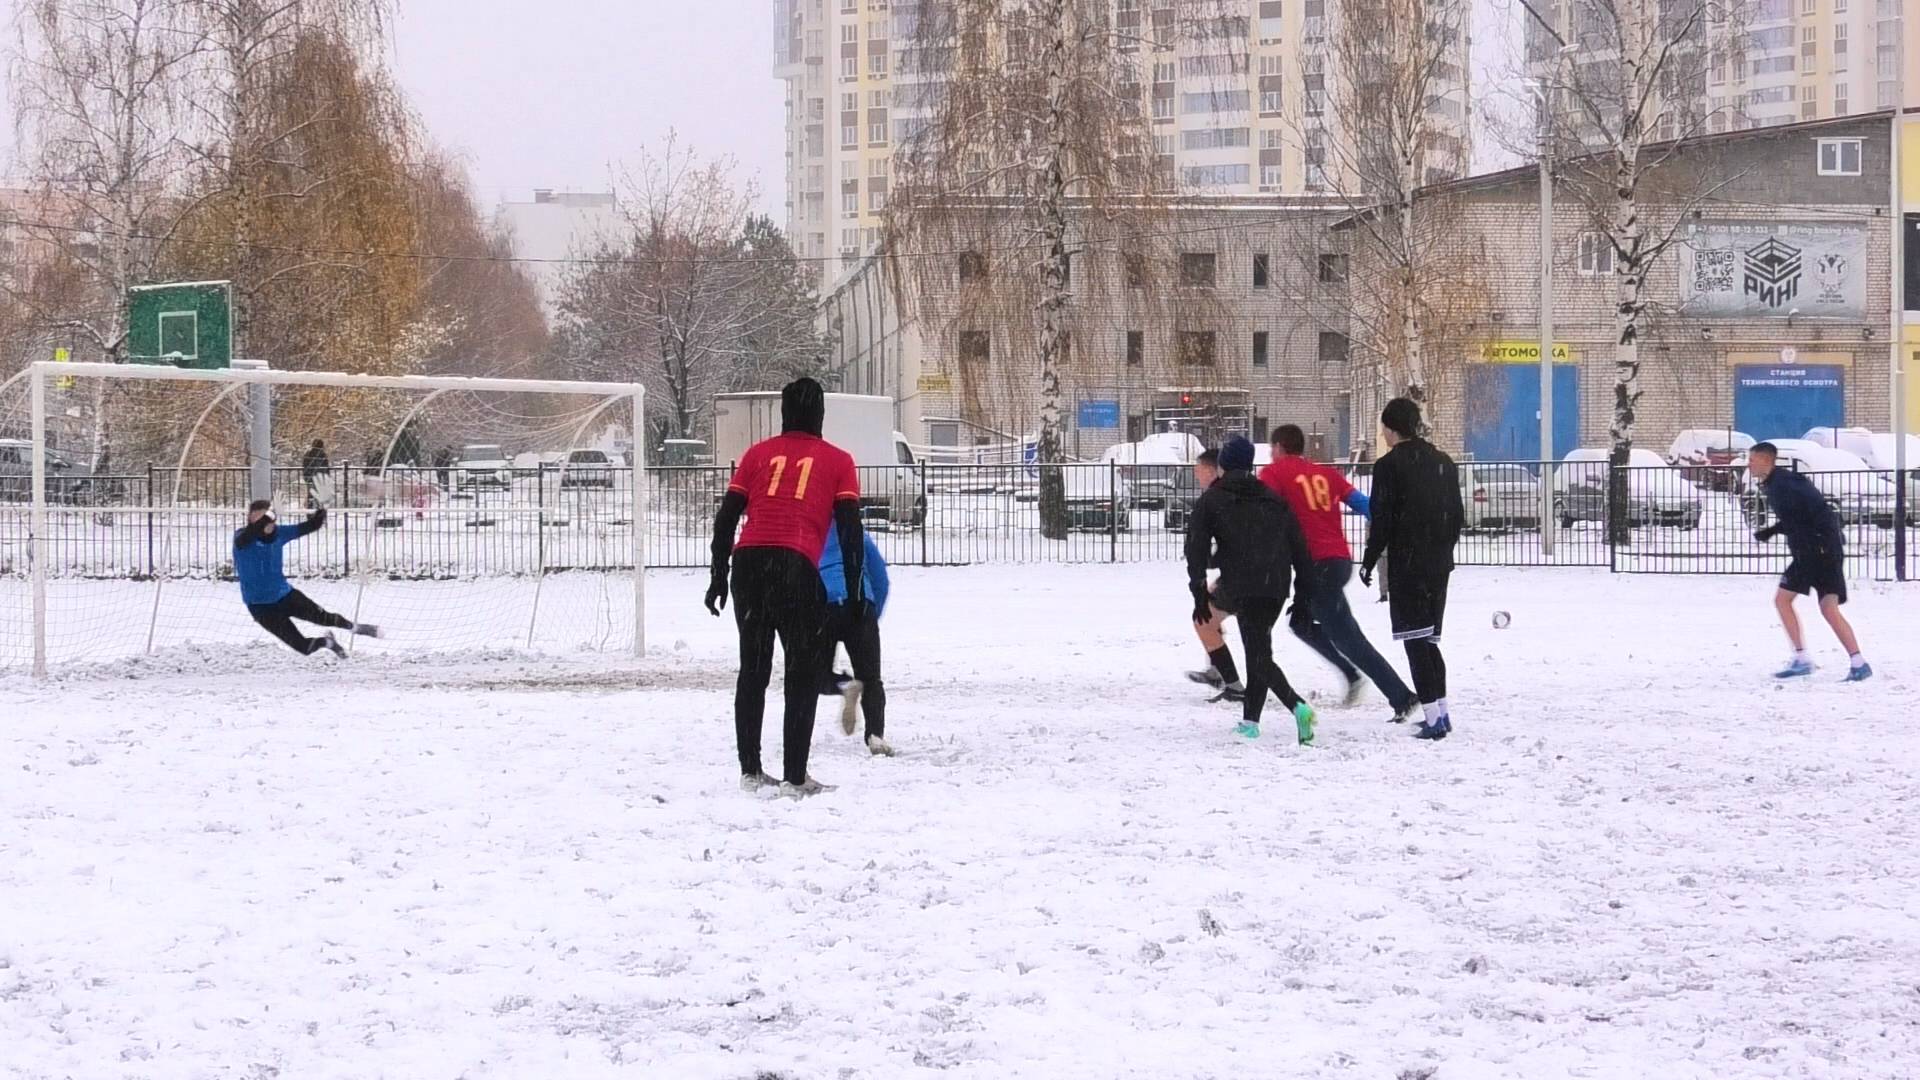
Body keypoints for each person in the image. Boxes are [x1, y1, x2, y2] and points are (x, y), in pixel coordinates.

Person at [707, 377, 864, 797]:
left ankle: (751, 772)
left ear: (783, 413)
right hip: (794, 565)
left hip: (748, 564)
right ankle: (795, 777)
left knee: (753, 670)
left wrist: (718, 575)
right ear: (821, 415)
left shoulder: (757, 455)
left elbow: (726, 518)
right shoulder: (838, 460)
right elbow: (850, 530)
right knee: (800, 671)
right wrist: (853, 588)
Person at [1261, 423, 1420, 722]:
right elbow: (1362, 503)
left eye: (1272, 449)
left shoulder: (1274, 473)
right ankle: (1352, 674)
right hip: (1337, 561)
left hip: (1316, 565)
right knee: (1302, 623)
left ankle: (1401, 696)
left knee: (1348, 637)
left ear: (1280, 447)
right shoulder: (1324, 473)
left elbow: (1262, 512)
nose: (1271, 455)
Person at [1184, 435, 1318, 744]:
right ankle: (1250, 722)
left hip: (1242, 584)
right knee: (1259, 650)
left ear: (1224, 465)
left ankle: (1298, 707)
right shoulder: (1273, 498)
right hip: (1276, 585)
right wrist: (1303, 596)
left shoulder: (1213, 499)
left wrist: (1199, 591)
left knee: (1258, 657)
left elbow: (1196, 549)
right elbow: (1300, 549)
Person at [1359, 398, 1462, 741]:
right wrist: (1444, 550)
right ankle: (1442, 712)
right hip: (1438, 564)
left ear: (1390, 429)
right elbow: (1457, 515)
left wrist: (1370, 559)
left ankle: (1433, 719)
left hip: (1409, 563)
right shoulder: (1444, 462)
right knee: (1431, 641)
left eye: (1384, 429)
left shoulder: (1389, 466)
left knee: (1415, 641)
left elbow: (1383, 519)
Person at [1748, 442, 1871, 681]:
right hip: (1823, 550)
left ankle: (1802, 659)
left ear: (1765, 460)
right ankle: (1858, 663)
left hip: (1815, 552)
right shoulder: (1779, 483)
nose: (1749, 464)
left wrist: (1819, 539)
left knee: (1783, 600)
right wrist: (1774, 530)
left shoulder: (1785, 484)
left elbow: (1812, 511)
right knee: (1828, 608)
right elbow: (1801, 515)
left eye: (1752, 459)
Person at [234, 498, 380, 656]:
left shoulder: (280, 533)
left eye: (265, 515)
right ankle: (328, 642)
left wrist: (322, 510)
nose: (262, 520)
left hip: (286, 596)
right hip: (260, 607)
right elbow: (249, 535)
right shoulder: (242, 537)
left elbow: (310, 526)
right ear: (249, 518)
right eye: (257, 516)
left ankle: (357, 628)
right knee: (304, 648)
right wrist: (269, 515)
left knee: (324, 618)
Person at [816, 525, 895, 756]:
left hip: (824, 604)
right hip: (860, 601)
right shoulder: (858, 534)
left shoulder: (811, 531)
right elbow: (880, 577)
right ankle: (875, 736)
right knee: (871, 678)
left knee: (816, 674)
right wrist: (872, 614)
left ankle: (844, 685)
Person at [1183, 449, 1245, 700]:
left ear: (1210, 470)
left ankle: (1232, 683)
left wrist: (1204, 565)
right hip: (1257, 571)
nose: (1196, 475)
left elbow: (1198, 545)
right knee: (1211, 614)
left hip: (1243, 574)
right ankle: (1217, 670)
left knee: (1203, 620)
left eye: (1198, 470)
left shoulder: (1215, 497)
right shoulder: (1240, 492)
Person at [301, 439, 330, 507]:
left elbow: (305, 466)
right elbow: (326, 468)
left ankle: (310, 513)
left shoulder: (308, 454)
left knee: (311, 496)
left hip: (310, 478)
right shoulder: (323, 455)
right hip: (320, 480)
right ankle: (320, 512)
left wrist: (306, 477)